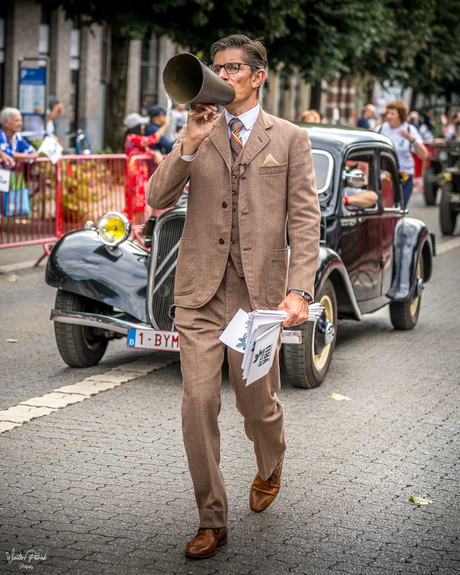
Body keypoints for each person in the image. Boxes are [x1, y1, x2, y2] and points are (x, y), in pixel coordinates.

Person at [146, 34, 321, 560]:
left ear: (257, 76)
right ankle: (212, 519)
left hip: (258, 299)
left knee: (256, 405)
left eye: (230, 68)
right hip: (200, 293)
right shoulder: (201, 130)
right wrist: (189, 143)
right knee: (198, 404)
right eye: (214, 66)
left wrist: (299, 290)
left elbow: (305, 221)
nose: (220, 74)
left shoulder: (289, 138)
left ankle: (270, 462)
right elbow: (157, 199)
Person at [375, 100, 427, 207]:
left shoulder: (409, 129)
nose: (388, 116)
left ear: (400, 115)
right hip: (385, 176)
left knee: (400, 208)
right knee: (385, 209)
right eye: (387, 113)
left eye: (392, 114)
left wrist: (411, 139)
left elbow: (424, 154)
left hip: (405, 176)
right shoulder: (380, 129)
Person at [123, 112, 165, 213]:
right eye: (141, 124)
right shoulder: (131, 137)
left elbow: (149, 150)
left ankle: (137, 227)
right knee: (135, 205)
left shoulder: (138, 143)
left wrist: (155, 152)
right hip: (134, 176)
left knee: (141, 205)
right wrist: (165, 125)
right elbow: (152, 140)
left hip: (140, 177)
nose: (143, 127)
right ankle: (133, 227)